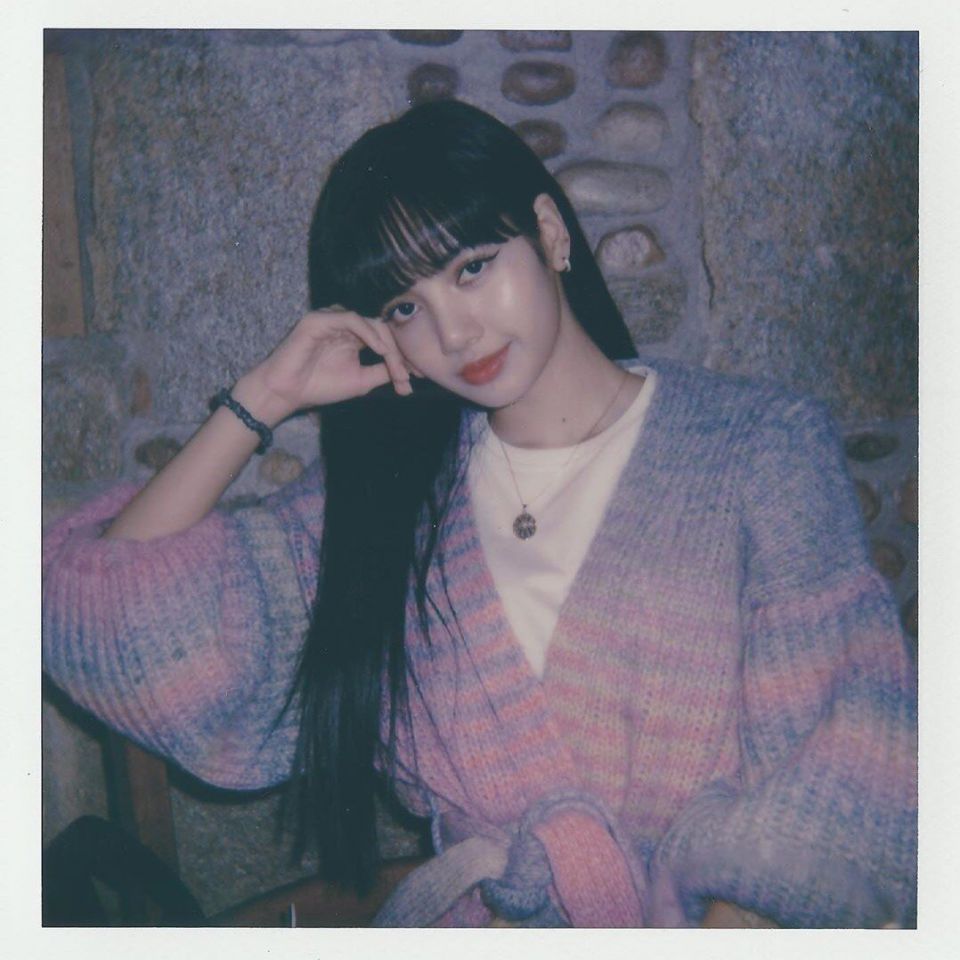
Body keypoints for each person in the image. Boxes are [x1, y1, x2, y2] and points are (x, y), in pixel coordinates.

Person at [42, 100, 917, 928]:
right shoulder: (384, 507)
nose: (455, 334)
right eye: (405, 308)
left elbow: (839, 761)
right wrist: (263, 398)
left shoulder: (761, 446)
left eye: (472, 268)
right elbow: (110, 626)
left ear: (549, 233)